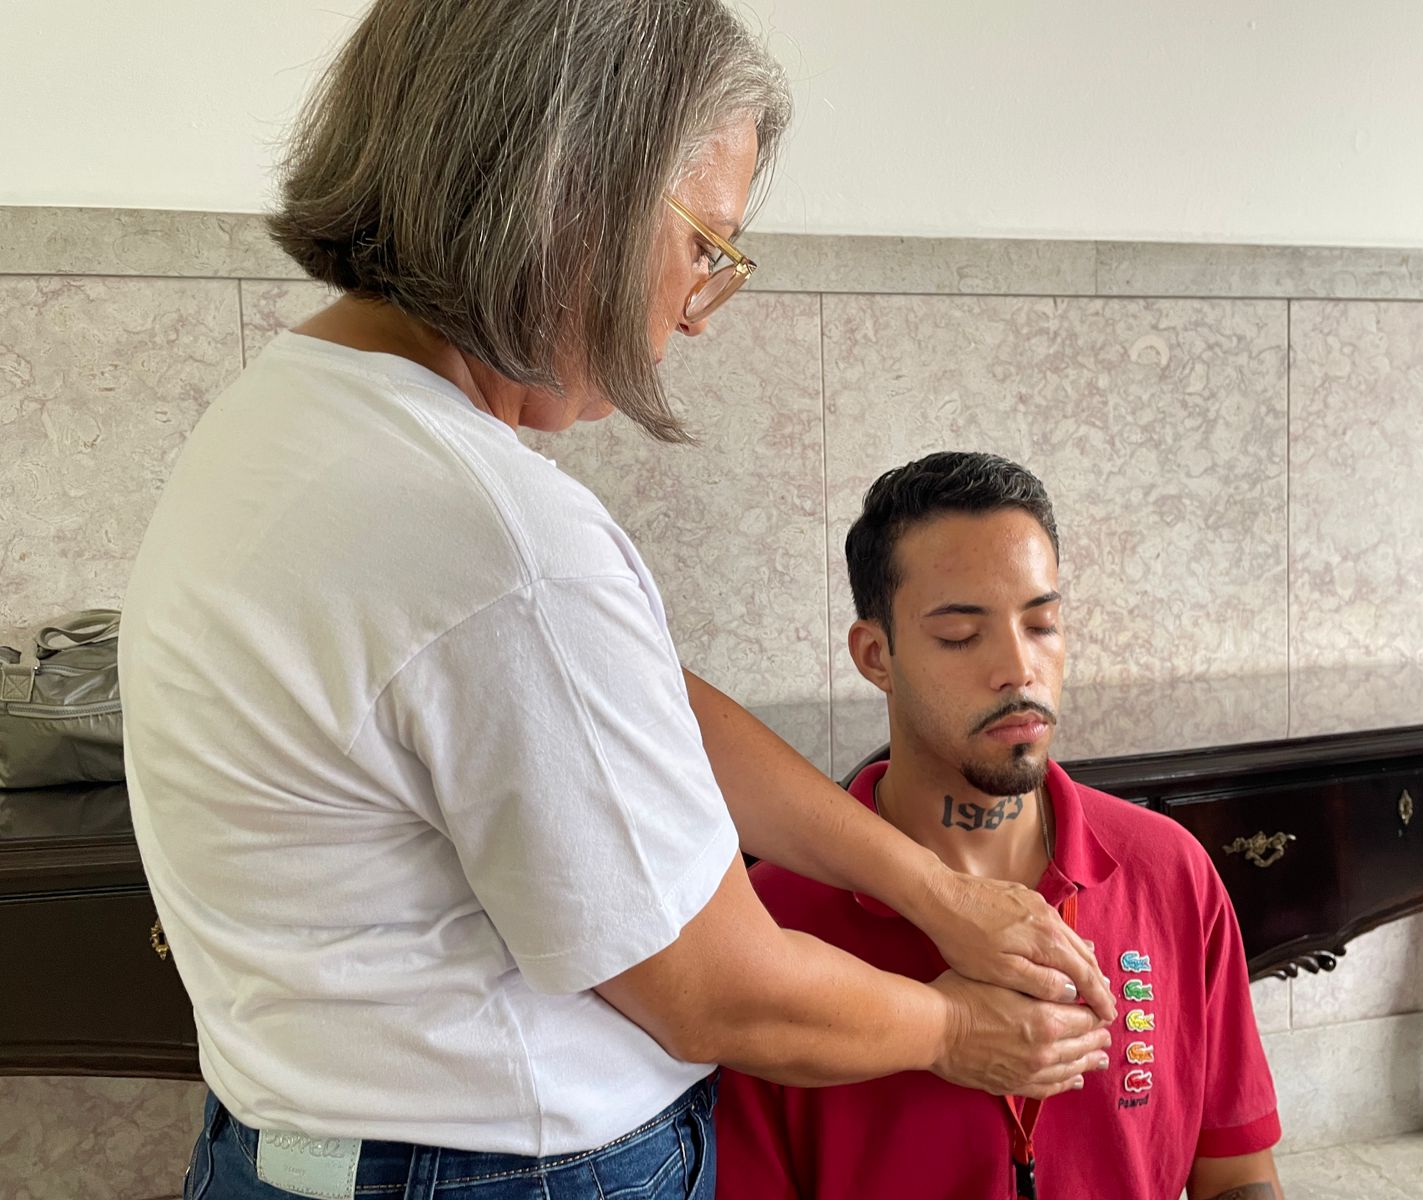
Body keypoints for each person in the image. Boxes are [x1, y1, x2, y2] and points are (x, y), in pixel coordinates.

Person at [118, 6, 1117, 1199]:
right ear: (570, 196)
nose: (695, 310)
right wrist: (956, 1030)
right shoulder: (493, 535)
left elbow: (640, 704)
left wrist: (931, 890)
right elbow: (715, 991)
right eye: (704, 246)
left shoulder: (294, 417)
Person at [715, 452, 1283, 1200]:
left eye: (1041, 624)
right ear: (876, 656)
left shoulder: (1169, 871)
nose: (1019, 668)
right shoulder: (771, 922)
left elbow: (1237, 1170)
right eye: (960, 635)